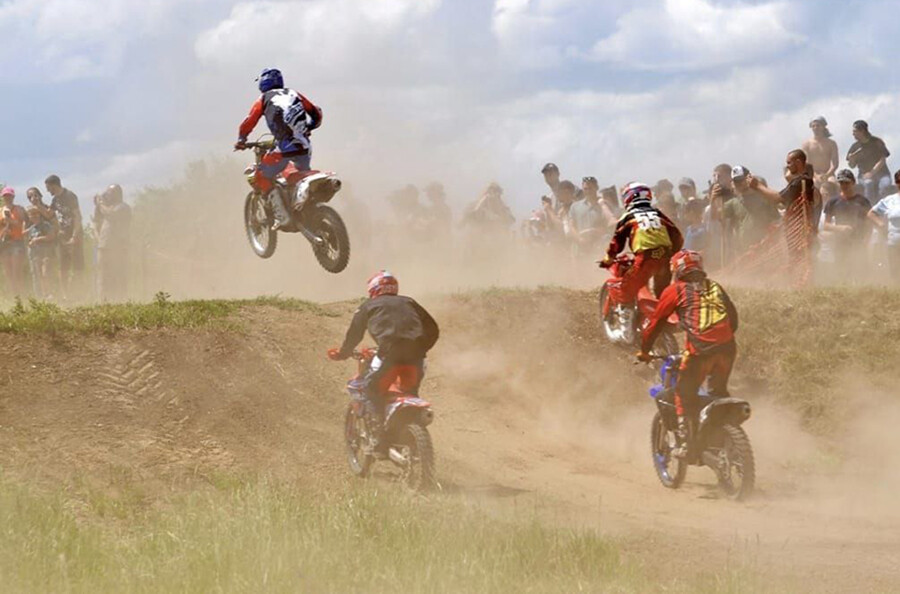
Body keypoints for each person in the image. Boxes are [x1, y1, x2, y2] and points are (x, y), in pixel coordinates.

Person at [637, 249, 739, 458]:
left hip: (700, 352)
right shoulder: (715, 286)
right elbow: (733, 319)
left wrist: (645, 350)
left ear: (677, 270)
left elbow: (656, 323)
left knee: (682, 393)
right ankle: (718, 437)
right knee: (717, 392)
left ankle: (685, 444)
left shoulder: (676, 290)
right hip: (727, 349)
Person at [328, 271, 439, 449]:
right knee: (409, 391)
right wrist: (421, 348)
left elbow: (354, 334)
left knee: (371, 389)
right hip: (416, 357)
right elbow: (433, 329)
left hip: (390, 354)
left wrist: (342, 353)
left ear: (373, 288)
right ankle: (407, 434)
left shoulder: (368, 305)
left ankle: (379, 435)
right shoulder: (409, 302)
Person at [235, 67, 323, 229]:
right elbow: (316, 114)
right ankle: (302, 210)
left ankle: (283, 217)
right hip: (305, 147)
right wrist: (307, 128)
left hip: (284, 148)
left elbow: (249, 121)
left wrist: (241, 139)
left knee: (260, 176)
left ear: (263, 81)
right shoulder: (294, 93)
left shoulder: (264, 98)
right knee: (296, 176)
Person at [601, 183, 683, 326]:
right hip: (665, 258)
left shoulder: (628, 216)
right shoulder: (658, 213)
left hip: (645, 259)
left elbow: (616, 243)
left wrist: (608, 259)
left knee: (626, 290)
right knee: (662, 294)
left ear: (628, 198)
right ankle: (665, 322)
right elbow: (677, 236)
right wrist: (671, 253)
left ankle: (628, 321)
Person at [749, 150, 816, 287]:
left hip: (800, 228)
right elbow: (781, 201)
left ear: (798, 162)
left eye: (789, 163)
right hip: (794, 227)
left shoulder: (802, 181)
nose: (787, 166)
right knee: (793, 256)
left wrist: (758, 186)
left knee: (800, 256)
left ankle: (802, 283)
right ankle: (794, 282)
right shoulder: (798, 182)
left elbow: (777, 198)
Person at [724, 165, 781, 256]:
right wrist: (714, 198)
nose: (739, 184)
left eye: (741, 180)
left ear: (748, 178)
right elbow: (717, 215)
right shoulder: (734, 202)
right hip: (744, 250)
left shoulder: (764, 197)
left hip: (765, 247)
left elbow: (776, 220)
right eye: (736, 181)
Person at [823, 169, 871, 274]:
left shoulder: (863, 201)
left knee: (861, 273)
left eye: (846, 182)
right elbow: (826, 225)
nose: (844, 185)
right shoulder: (833, 202)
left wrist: (866, 240)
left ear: (853, 182)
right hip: (841, 243)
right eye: (841, 183)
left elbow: (869, 224)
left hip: (859, 242)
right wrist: (840, 228)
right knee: (842, 272)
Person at [44, 174, 84, 300]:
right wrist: (38, 204)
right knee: (63, 267)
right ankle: (65, 295)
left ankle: (78, 293)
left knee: (77, 266)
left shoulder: (70, 196)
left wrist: (75, 235)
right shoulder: (55, 200)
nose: (48, 191)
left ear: (54, 185)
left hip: (74, 234)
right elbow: (48, 214)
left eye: (48, 188)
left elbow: (78, 216)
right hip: (62, 235)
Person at [92, 184, 132, 302]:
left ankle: (121, 299)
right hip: (104, 246)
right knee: (103, 274)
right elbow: (96, 220)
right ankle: (103, 300)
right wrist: (97, 206)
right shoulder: (106, 207)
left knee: (118, 274)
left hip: (118, 247)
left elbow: (111, 214)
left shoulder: (123, 207)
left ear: (116, 194)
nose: (106, 195)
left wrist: (100, 203)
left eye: (109, 192)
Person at [847, 120, 891, 203]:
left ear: (862, 131)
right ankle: (869, 207)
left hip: (882, 174)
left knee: (885, 185)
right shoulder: (855, 147)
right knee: (868, 184)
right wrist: (852, 159)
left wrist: (872, 173)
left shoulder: (877, 142)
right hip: (863, 175)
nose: (853, 134)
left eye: (855, 131)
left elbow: (883, 159)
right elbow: (852, 166)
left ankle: (884, 207)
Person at [867, 170, 900, 283]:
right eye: (898, 181)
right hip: (894, 242)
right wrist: (881, 224)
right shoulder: (889, 200)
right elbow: (871, 213)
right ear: (896, 183)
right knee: (895, 273)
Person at [568, 177, 614, 253]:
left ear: (596, 188)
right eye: (585, 189)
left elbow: (611, 225)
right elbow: (571, 226)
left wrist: (598, 232)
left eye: (590, 188)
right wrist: (579, 239)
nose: (588, 191)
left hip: (600, 246)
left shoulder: (604, 205)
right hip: (581, 248)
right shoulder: (575, 207)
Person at [0, 187, 29, 297]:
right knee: (8, 272)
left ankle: (21, 295)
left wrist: (11, 221)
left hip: (17, 241)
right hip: (4, 243)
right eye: (5, 196)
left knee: (17, 271)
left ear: (13, 196)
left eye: (9, 195)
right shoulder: (0, 210)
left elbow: (26, 223)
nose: (7, 198)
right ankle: (13, 297)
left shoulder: (19, 209)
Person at [25, 205, 58, 299]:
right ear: (29, 216)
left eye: (36, 213)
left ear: (39, 214)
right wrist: (30, 243)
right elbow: (29, 241)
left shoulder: (46, 225)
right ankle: (45, 295)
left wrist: (38, 239)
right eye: (31, 214)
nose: (34, 216)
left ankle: (51, 293)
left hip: (47, 253)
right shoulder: (31, 229)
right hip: (36, 254)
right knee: (40, 276)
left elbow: (51, 236)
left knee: (46, 273)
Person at [802, 116, 839, 185]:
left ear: (823, 126)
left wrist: (827, 175)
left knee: (834, 184)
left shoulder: (831, 143)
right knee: (811, 184)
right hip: (813, 175)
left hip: (828, 174)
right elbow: (807, 164)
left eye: (818, 125)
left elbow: (835, 164)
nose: (816, 128)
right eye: (813, 126)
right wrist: (815, 176)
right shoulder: (807, 144)